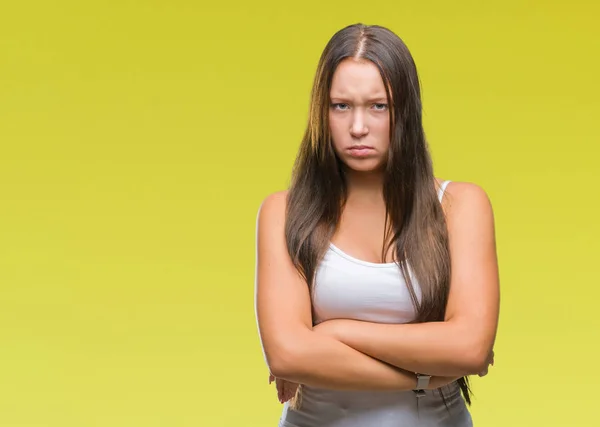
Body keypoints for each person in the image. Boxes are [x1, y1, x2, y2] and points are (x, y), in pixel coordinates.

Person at [254, 23, 500, 427]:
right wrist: (426, 376)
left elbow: (471, 347)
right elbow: (287, 354)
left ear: (405, 109)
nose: (357, 127)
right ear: (323, 111)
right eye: (341, 106)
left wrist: (335, 331)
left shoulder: (462, 206)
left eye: (378, 106)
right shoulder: (283, 213)